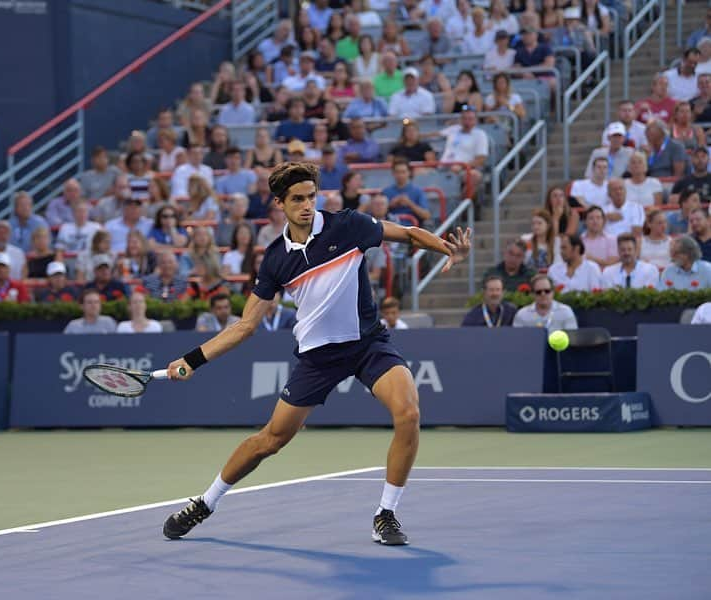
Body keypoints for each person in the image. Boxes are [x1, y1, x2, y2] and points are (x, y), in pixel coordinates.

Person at [161, 162, 471, 545]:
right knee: (270, 440)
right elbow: (244, 326)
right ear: (279, 204)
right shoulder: (275, 259)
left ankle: (386, 514)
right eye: (297, 199)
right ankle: (205, 503)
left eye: (311, 197)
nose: (307, 205)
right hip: (318, 358)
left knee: (408, 412)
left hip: (367, 344)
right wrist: (192, 360)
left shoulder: (349, 226)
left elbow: (406, 234)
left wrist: (445, 247)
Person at [437, 107, 487, 195]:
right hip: (442, 166)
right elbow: (432, 135)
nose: (467, 121)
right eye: (464, 118)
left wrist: (462, 166)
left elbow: (481, 159)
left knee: (475, 176)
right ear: (460, 120)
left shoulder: (480, 135)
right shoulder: (453, 129)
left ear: (476, 121)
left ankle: (460, 205)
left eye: (470, 119)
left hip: (464, 169)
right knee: (419, 172)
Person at [512, 274, 579, 331]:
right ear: (532, 294)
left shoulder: (565, 312)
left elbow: (572, 339)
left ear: (553, 292)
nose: (543, 294)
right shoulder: (522, 315)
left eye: (547, 291)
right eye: (538, 292)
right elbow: (517, 340)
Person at [382, 162, 432, 226]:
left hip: (412, 229)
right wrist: (390, 205)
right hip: (390, 229)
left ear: (409, 173)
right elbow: (376, 215)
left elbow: (426, 216)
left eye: (403, 172)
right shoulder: (386, 191)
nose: (400, 175)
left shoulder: (418, 191)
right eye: (397, 172)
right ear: (393, 173)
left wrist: (410, 204)